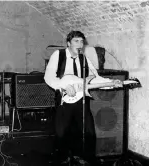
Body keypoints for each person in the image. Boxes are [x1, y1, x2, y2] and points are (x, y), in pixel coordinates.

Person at [44, 31, 122, 165]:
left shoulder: (83, 58)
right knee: (62, 132)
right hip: (64, 100)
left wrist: (111, 83)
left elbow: (94, 78)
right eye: (76, 41)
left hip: (81, 100)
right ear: (68, 43)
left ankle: (84, 160)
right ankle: (63, 160)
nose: (79, 44)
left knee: (88, 131)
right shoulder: (58, 55)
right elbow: (48, 77)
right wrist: (62, 86)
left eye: (81, 41)